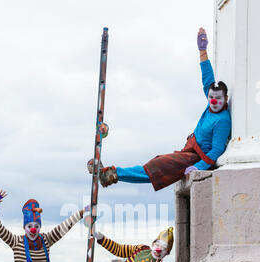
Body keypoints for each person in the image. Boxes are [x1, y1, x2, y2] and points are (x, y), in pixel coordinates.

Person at [87, 27, 231, 191]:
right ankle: (111, 175)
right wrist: (202, 51)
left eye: (218, 98)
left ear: (225, 99)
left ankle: (112, 175)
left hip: (195, 158)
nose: (213, 100)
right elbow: (207, 80)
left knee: (157, 167)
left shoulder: (223, 120)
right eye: (211, 96)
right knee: (156, 164)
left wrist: (198, 167)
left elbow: (217, 150)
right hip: (189, 152)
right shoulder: (212, 103)